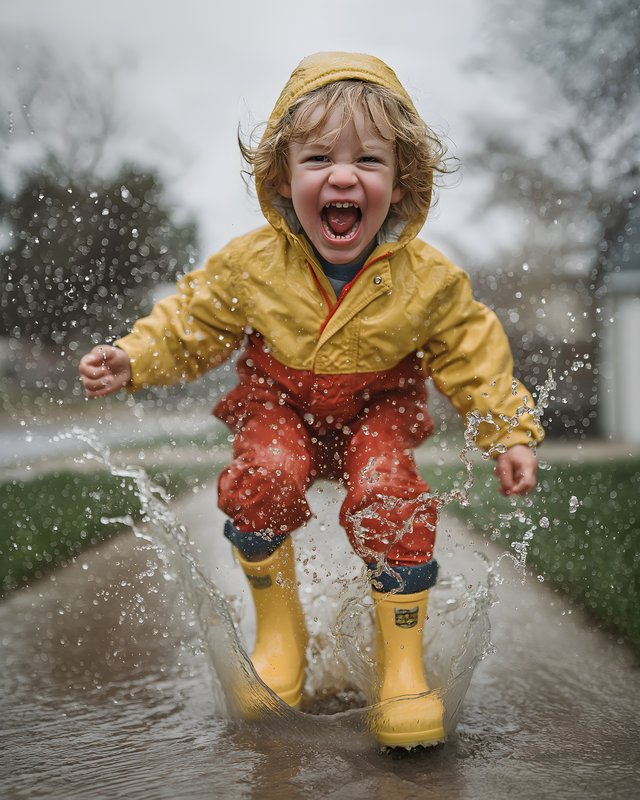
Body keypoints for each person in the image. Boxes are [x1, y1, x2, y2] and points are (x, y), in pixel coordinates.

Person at [79, 52, 543, 749]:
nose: (344, 175)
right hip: (280, 405)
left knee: (391, 495)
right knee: (264, 475)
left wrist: (509, 432)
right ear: (283, 177)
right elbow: (192, 323)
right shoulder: (253, 263)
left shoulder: (429, 280)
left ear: (402, 178)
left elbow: (472, 355)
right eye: (319, 156)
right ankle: (280, 633)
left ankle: (403, 667)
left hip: (377, 411)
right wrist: (134, 356)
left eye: (371, 160)